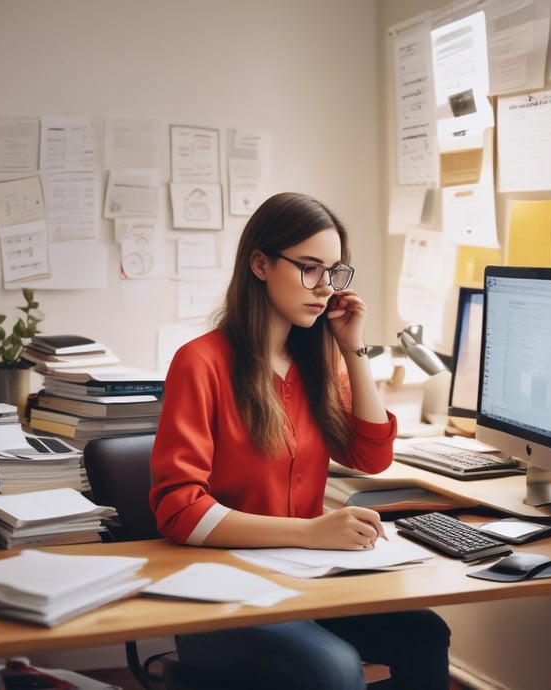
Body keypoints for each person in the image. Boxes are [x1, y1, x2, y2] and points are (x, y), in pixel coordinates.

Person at [149, 191, 450, 690]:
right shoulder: (200, 363)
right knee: (332, 668)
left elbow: (371, 455)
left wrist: (352, 348)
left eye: (334, 272)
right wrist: (309, 532)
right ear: (261, 264)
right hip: (223, 591)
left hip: (306, 581)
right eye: (310, 269)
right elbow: (180, 509)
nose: (326, 288)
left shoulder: (318, 363)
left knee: (424, 635)